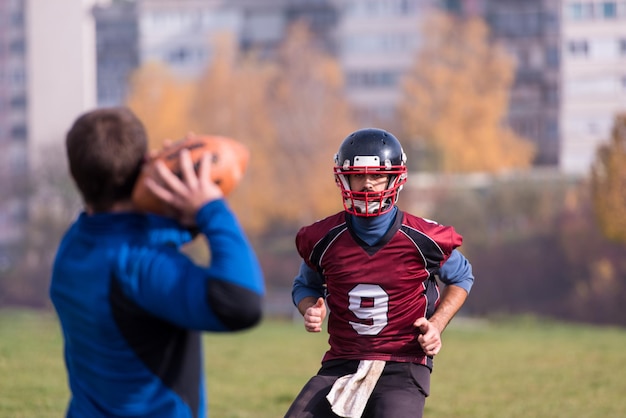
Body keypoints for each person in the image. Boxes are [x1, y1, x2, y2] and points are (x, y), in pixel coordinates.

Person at [49, 107, 265, 418]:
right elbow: (242, 302)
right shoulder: (139, 266)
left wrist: (171, 186)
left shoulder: (74, 245)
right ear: (143, 164)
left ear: (75, 175)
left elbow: (132, 230)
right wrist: (212, 208)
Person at [284, 128, 474, 418]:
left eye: (376, 175)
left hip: (403, 362)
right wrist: (309, 307)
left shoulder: (423, 238)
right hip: (342, 361)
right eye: (358, 175)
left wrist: (437, 324)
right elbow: (305, 285)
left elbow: (461, 277)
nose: (367, 185)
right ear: (343, 178)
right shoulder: (323, 238)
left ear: (395, 179)